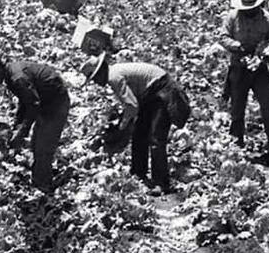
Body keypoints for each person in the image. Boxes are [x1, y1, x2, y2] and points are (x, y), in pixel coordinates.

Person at [81, 53, 189, 195]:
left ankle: (162, 183)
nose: (95, 82)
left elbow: (132, 106)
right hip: (149, 94)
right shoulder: (114, 74)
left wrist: (122, 126)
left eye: (94, 78)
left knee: (156, 138)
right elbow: (132, 103)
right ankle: (138, 173)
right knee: (139, 133)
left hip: (162, 90)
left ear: (101, 71)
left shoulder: (113, 77)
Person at [0, 54, 70, 192]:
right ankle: (40, 177)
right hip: (45, 101)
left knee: (43, 146)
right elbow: (24, 102)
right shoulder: (10, 76)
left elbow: (33, 104)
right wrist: (17, 126)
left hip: (56, 102)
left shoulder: (17, 77)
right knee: (36, 142)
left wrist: (22, 131)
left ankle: (43, 186)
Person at [220, 0, 269, 158]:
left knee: (267, 106)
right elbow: (223, 37)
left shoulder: (268, 21)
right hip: (238, 67)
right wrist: (237, 46)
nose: (249, 11)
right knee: (237, 106)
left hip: (260, 70)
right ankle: (236, 142)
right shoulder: (233, 17)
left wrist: (266, 51)